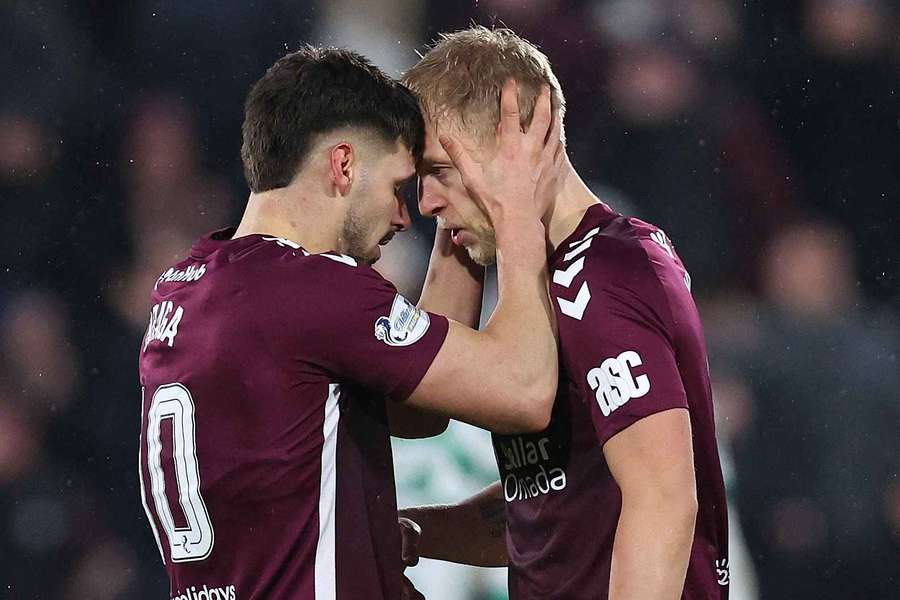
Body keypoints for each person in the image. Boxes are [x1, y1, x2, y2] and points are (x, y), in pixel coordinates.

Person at [137, 46, 562, 600]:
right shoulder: (312, 290)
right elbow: (525, 391)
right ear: (343, 165)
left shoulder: (188, 288)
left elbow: (421, 410)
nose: (405, 215)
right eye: (397, 187)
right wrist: (513, 217)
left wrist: (455, 225)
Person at [399, 27, 730, 599]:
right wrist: (417, 531)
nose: (424, 203)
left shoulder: (603, 272)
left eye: (440, 171)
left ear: (514, 147)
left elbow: (663, 502)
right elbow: (549, 512)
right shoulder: (544, 279)